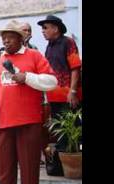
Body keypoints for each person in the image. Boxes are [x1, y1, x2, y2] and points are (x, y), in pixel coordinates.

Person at [0, 20, 57, 184]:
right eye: (3, 37)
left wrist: (27, 77)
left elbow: (52, 82)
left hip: (29, 121)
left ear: (20, 39)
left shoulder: (33, 55)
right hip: (4, 121)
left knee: (29, 164)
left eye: (10, 36)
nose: (5, 40)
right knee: (5, 166)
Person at [37, 15, 82, 154]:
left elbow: (75, 67)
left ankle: (76, 163)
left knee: (74, 132)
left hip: (69, 96)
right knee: (60, 134)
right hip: (54, 97)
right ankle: (64, 165)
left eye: (45, 28)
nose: (42, 31)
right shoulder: (48, 47)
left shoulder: (68, 42)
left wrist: (73, 92)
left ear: (55, 28)